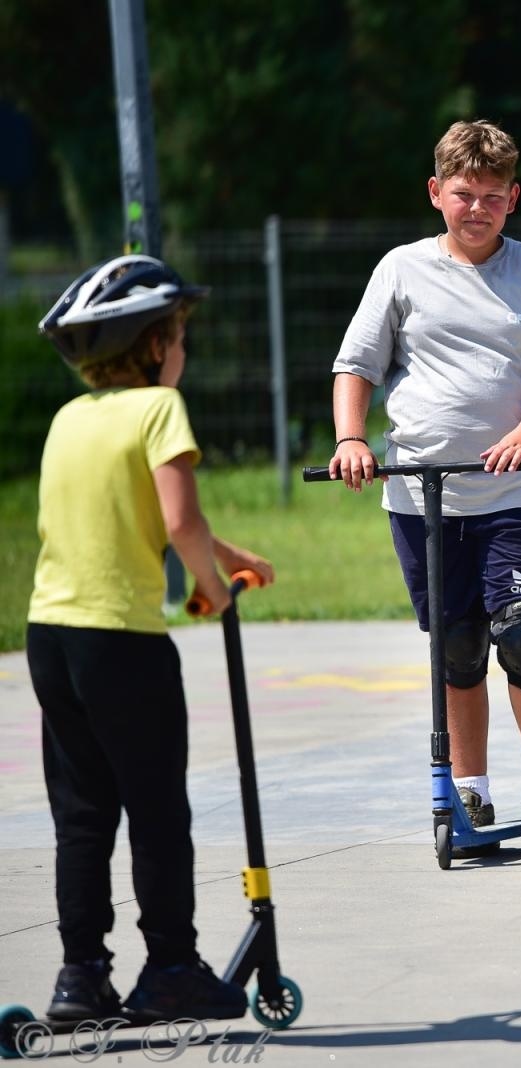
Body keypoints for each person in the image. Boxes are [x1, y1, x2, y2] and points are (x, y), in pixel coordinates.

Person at [327, 119, 521, 861]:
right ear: (436, 192)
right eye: (463, 194)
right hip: (424, 497)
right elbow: (357, 366)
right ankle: (469, 794)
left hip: (514, 495)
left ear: (514, 199)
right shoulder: (402, 270)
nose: (477, 208)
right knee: (459, 648)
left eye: (492, 197)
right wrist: (352, 439)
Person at [29, 254, 276, 1023]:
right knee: (157, 807)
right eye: (178, 337)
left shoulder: (71, 417)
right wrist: (211, 588)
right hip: (123, 642)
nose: (183, 351)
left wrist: (225, 558)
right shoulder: (159, 410)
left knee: (83, 813)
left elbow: (128, 520)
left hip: (51, 636)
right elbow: (178, 523)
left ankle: (81, 976)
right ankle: (170, 964)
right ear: (151, 345)